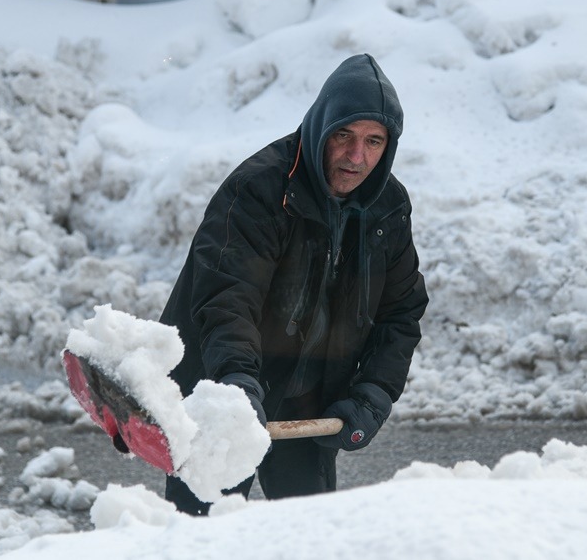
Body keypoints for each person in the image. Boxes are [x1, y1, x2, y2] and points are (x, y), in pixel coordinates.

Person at [160, 53, 428, 514]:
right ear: (321, 127)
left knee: (310, 533)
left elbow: (400, 312)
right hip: (225, 387)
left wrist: (373, 394)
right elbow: (228, 298)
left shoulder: (388, 206)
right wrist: (236, 384)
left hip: (310, 400)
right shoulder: (261, 189)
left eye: (374, 140)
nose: (356, 156)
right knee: (201, 534)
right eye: (344, 135)